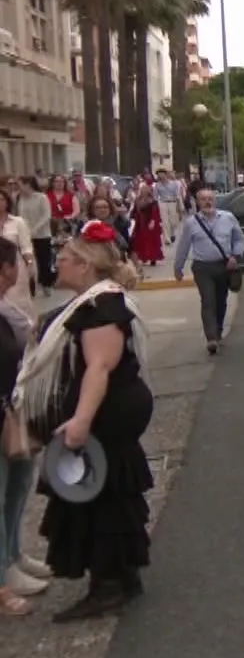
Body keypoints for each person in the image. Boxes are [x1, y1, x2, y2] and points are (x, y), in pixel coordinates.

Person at [15, 221, 153, 622]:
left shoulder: (100, 310)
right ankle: (122, 576)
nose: (56, 264)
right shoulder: (96, 303)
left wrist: (80, 421)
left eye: (64, 259)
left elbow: (99, 369)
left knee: (97, 495)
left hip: (108, 413)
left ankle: (108, 584)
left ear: (86, 266)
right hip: (114, 410)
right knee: (111, 492)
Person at [0, 239, 45, 611]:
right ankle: (3, 574)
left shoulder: (5, 307)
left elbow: (26, 333)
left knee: (18, 483)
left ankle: (14, 553)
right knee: (2, 490)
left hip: (12, 408)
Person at [172, 187, 244, 355]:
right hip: (202, 268)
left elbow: (240, 239)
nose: (207, 202)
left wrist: (236, 256)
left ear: (215, 200)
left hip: (224, 266)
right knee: (208, 301)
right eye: (203, 199)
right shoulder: (192, 222)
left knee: (221, 301)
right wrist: (178, 267)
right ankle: (211, 338)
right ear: (197, 202)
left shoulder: (228, 218)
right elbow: (183, 246)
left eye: (210, 199)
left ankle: (218, 331)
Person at [0, 190, 34, 314]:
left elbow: (26, 246)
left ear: (7, 202)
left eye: (1, 199)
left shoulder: (18, 222)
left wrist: (29, 264)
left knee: (18, 300)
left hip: (14, 265)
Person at [129, 183, 164, 267]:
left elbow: (155, 212)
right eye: (142, 190)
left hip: (149, 224)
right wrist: (132, 217)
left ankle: (153, 258)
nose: (144, 191)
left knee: (151, 242)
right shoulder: (137, 200)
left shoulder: (152, 201)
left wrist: (153, 221)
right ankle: (143, 257)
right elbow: (134, 211)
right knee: (140, 241)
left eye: (145, 190)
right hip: (140, 223)